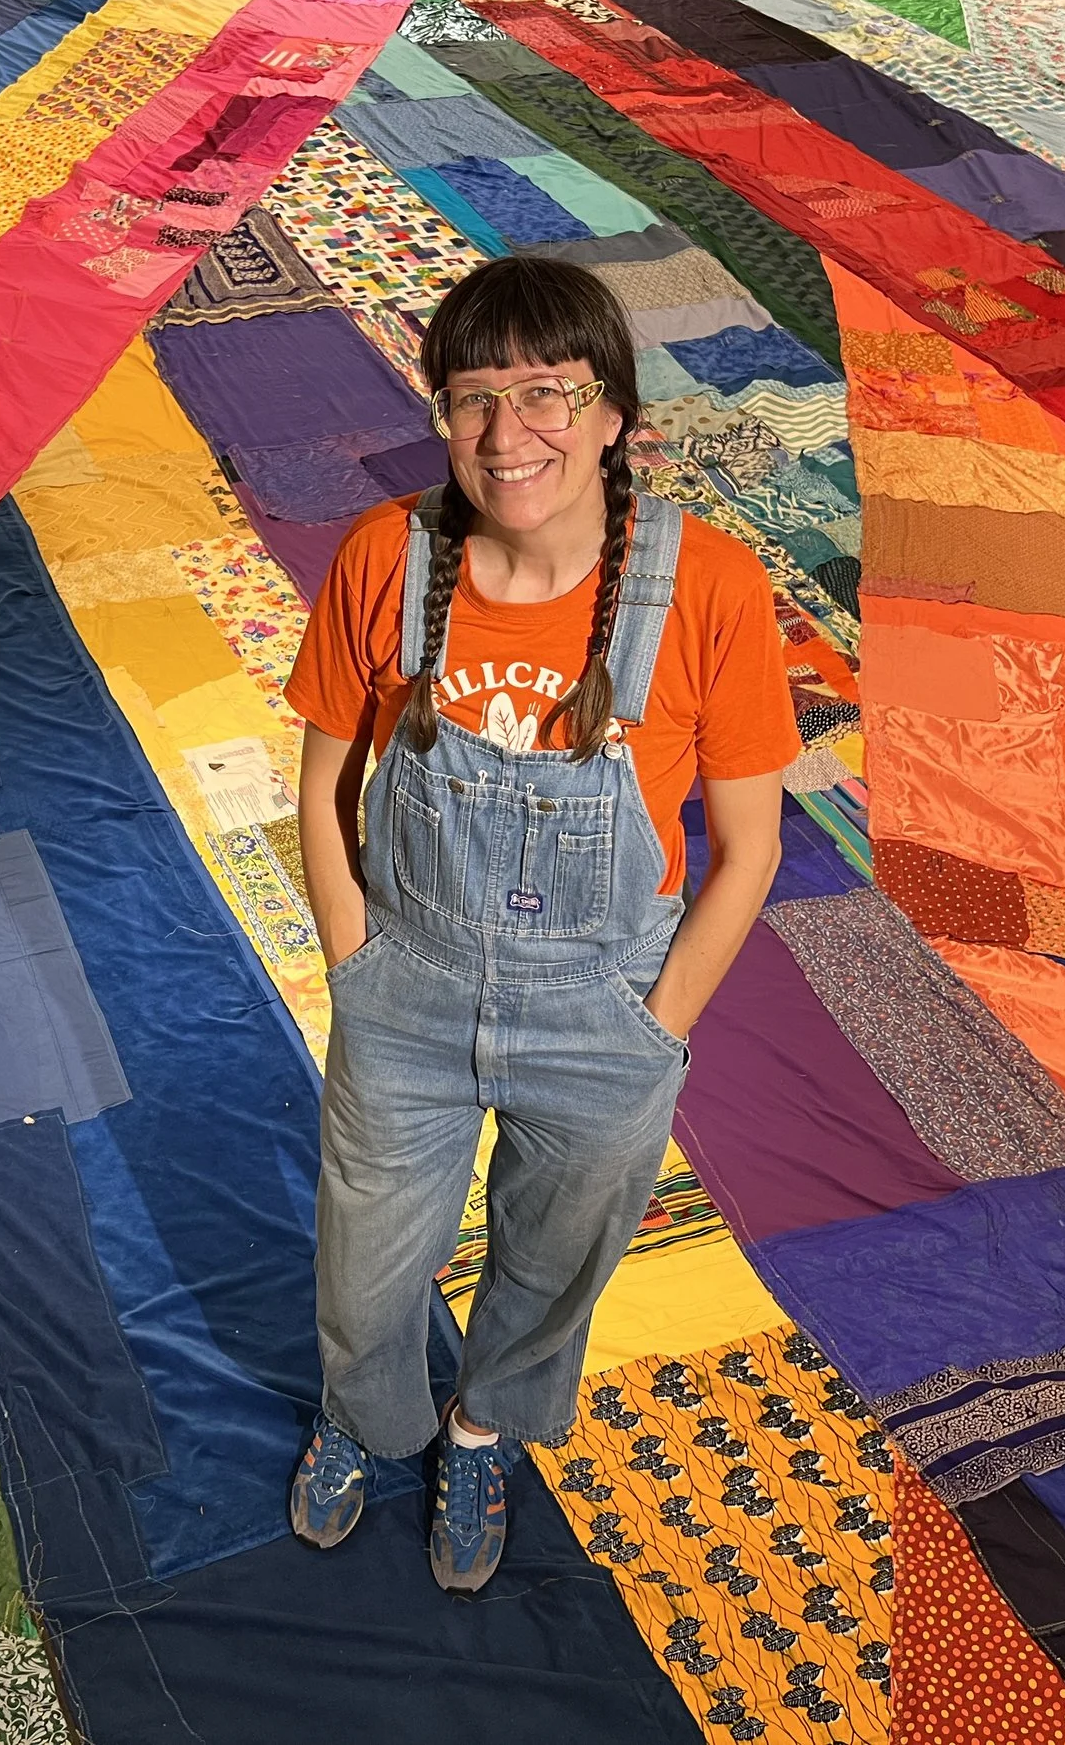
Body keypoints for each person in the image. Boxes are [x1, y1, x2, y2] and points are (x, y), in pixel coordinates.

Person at [281, 256, 798, 1592]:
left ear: (614, 411)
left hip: (603, 1019)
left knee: (550, 1272)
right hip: (410, 993)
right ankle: (365, 1417)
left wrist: (656, 1024)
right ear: (443, 414)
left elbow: (750, 847)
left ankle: (478, 1429)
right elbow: (322, 778)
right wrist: (357, 959)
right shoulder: (385, 561)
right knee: (362, 1273)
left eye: (549, 393)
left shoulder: (711, 590)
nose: (509, 436)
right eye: (472, 399)